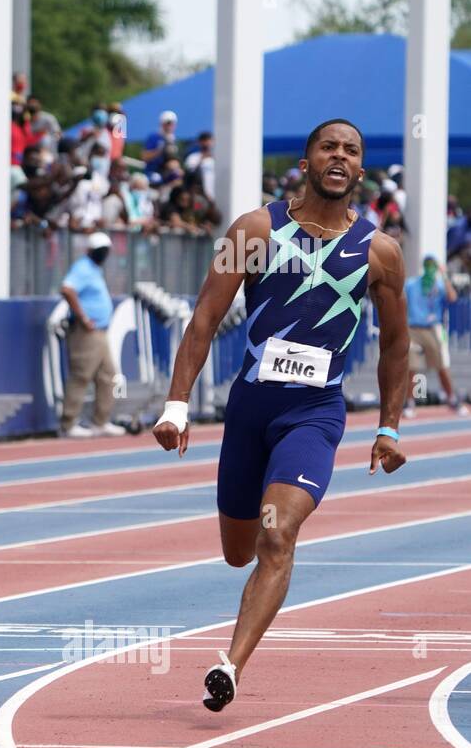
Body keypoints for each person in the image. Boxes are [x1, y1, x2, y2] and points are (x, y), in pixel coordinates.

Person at [153, 119, 408, 712]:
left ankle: (230, 665)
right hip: (249, 409)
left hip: (315, 415)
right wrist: (176, 406)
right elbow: (204, 320)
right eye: (328, 147)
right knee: (238, 551)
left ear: (361, 170)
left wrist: (390, 428)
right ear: (307, 161)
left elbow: (397, 348)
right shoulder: (256, 229)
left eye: (350, 149)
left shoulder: (381, 253)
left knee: (277, 535)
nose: (338, 156)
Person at [59, 232, 124, 437]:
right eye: (100, 251)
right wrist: (83, 317)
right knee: (81, 375)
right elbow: (67, 289)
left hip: (100, 331)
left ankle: (100, 421)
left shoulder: (94, 269)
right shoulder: (83, 268)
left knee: (108, 376)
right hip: (87, 332)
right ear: (89, 250)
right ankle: (68, 424)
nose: (103, 254)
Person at [404, 254, 467, 417]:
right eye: (428, 265)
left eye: (433, 265)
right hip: (413, 328)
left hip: (432, 329)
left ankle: (452, 399)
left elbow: (453, 297)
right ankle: (409, 403)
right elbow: (401, 301)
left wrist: (444, 275)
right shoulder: (412, 284)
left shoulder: (439, 284)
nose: (430, 268)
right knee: (411, 367)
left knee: (441, 365)